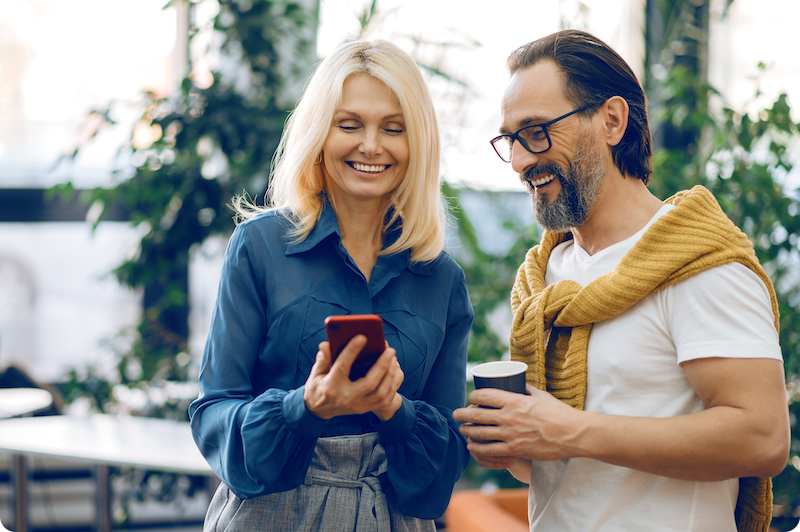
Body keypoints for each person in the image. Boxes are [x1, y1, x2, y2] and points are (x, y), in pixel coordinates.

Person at [453, 29, 790, 532]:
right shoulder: (543, 284)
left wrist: (570, 432)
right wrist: (516, 440)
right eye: (510, 140)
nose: (521, 160)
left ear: (612, 120)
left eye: (537, 131)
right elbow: (554, 467)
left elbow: (763, 439)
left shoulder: (698, 262)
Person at [189, 39, 473, 531]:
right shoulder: (258, 247)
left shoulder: (441, 278)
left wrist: (393, 408)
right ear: (320, 132)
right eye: (349, 125)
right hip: (271, 514)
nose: (370, 145)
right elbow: (213, 415)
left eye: (394, 128)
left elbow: (442, 470)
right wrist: (306, 405)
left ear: (418, 143)